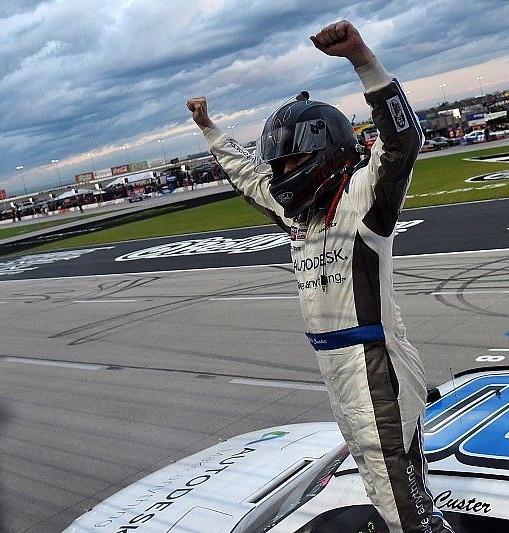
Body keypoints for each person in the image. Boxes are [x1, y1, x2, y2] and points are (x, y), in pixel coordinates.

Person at [187, 20, 452, 533]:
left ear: (329, 152)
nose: (282, 174)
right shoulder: (298, 216)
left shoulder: (362, 199)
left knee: (397, 497)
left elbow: (403, 140)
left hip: (371, 363)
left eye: (293, 161)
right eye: (278, 164)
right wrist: (209, 128)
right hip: (339, 367)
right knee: (390, 482)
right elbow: (247, 175)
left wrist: (361, 59)